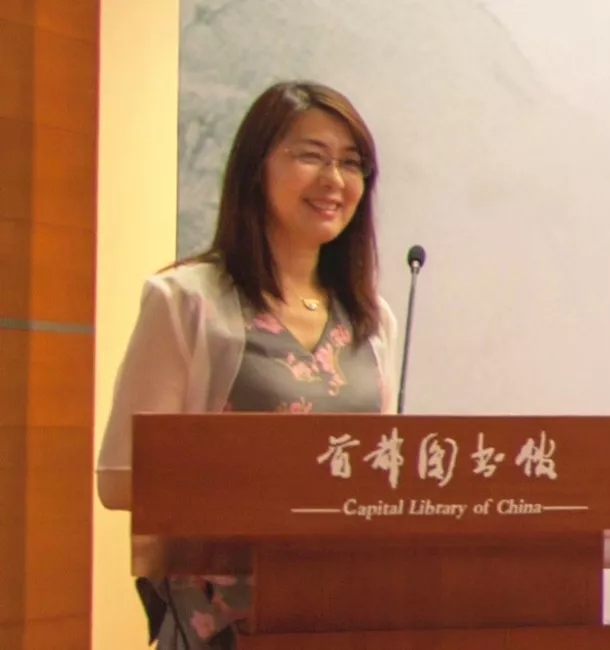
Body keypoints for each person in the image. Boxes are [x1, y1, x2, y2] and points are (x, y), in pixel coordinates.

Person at [96, 80, 399, 649]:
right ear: (256, 168)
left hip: (342, 615)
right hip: (223, 626)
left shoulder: (371, 318)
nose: (334, 180)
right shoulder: (187, 301)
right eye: (311, 156)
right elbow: (121, 477)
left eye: (351, 163)